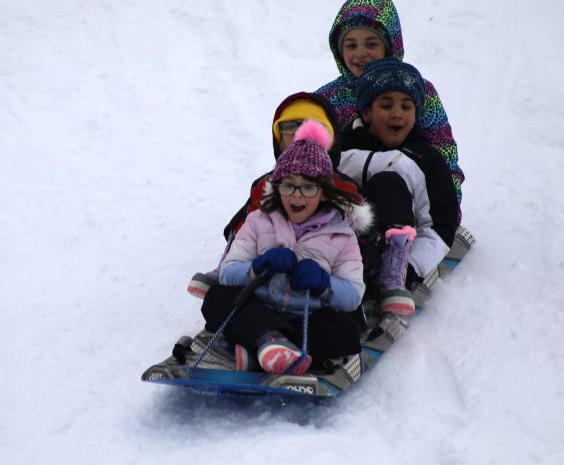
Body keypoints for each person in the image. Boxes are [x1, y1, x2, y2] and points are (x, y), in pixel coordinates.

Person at [200, 121, 373, 375]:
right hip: (261, 311)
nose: (297, 195)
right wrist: (258, 266)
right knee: (217, 298)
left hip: (309, 318)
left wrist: (324, 285)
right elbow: (228, 272)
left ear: (323, 192)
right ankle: (271, 343)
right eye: (288, 185)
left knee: (346, 330)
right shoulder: (259, 220)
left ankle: (261, 350)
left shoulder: (342, 234)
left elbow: (353, 295)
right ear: (277, 186)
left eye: (308, 186)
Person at [314, 0, 466, 220]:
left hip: (406, 204)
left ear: (389, 44)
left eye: (371, 44)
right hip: (344, 205)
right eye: (351, 45)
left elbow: (443, 155)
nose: (361, 53)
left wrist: (448, 213)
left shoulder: (415, 90)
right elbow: (309, 154)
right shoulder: (328, 98)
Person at [337, 58, 454, 316]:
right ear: (366, 113)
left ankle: (391, 274)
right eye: (386, 105)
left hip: (393, 256)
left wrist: (410, 267)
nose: (397, 113)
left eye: (406, 106)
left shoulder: (426, 159)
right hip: (343, 250)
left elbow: (440, 225)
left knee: (387, 182)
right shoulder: (342, 149)